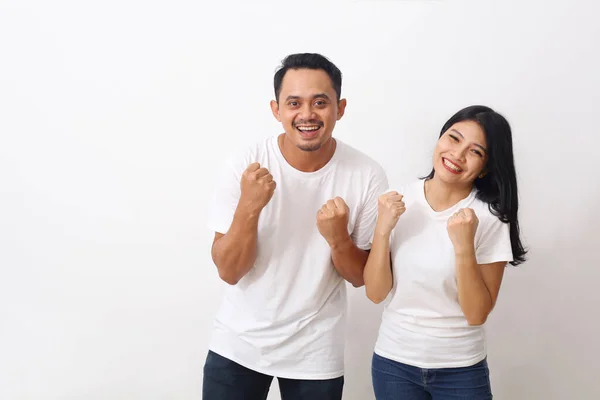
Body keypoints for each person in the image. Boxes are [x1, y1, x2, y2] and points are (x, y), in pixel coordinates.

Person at [203, 53, 388, 400]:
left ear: (340, 107)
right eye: (294, 103)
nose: (307, 114)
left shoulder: (366, 175)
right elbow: (228, 271)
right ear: (276, 110)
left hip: (315, 353)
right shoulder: (245, 165)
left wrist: (338, 241)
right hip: (237, 344)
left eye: (320, 102)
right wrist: (249, 206)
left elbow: (360, 276)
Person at [364, 105, 527, 399]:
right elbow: (376, 293)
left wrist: (464, 247)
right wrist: (382, 230)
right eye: (453, 138)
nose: (458, 154)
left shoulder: (488, 218)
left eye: (475, 151)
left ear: (486, 168)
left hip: (461, 369)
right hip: (394, 364)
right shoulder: (398, 201)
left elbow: (477, 314)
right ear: (440, 138)